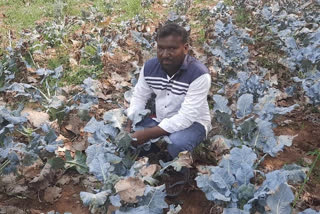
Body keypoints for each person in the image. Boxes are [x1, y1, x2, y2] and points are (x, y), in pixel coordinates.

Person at [126, 23, 211, 159]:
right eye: (161, 48)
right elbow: (139, 97)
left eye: (172, 49)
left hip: (194, 123)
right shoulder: (149, 67)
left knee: (177, 144)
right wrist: (131, 120)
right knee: (131, 137)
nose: (165, 54)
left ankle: (183, 175)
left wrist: (147, 134)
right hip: (161, 119)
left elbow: (186, 117)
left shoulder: (199, 74)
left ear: (185, 48)